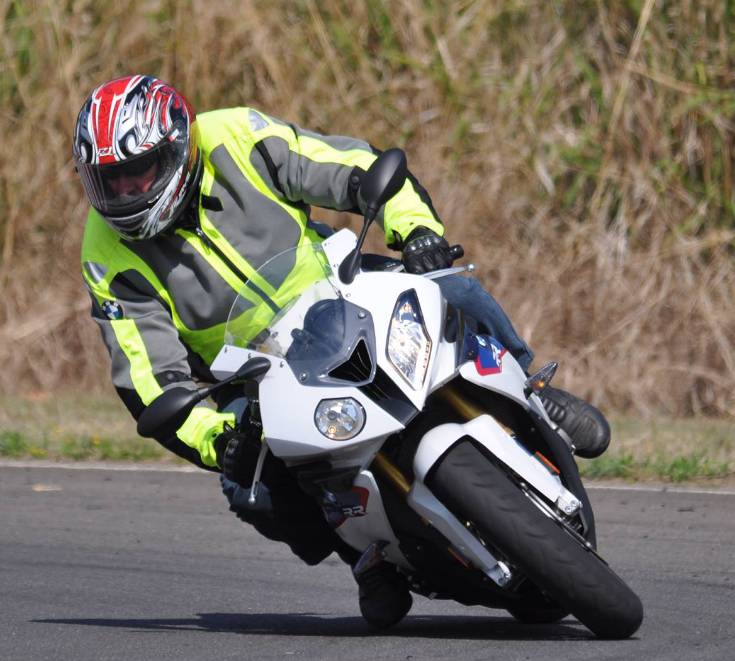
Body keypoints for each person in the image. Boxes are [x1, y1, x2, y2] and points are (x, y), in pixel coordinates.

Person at [74, 75, 609, 628]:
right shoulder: (105, 253)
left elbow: (352, 166)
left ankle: (532, 386)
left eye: (140, 172)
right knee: (251, 490)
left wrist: (417, 231)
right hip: (254, 374)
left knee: (452, 287)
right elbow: (149, 380)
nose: (129, 192)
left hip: (339, 290)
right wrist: (218, 440)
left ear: (181, 147)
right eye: (110, 182)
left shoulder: (233, 135)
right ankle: (366, 556)